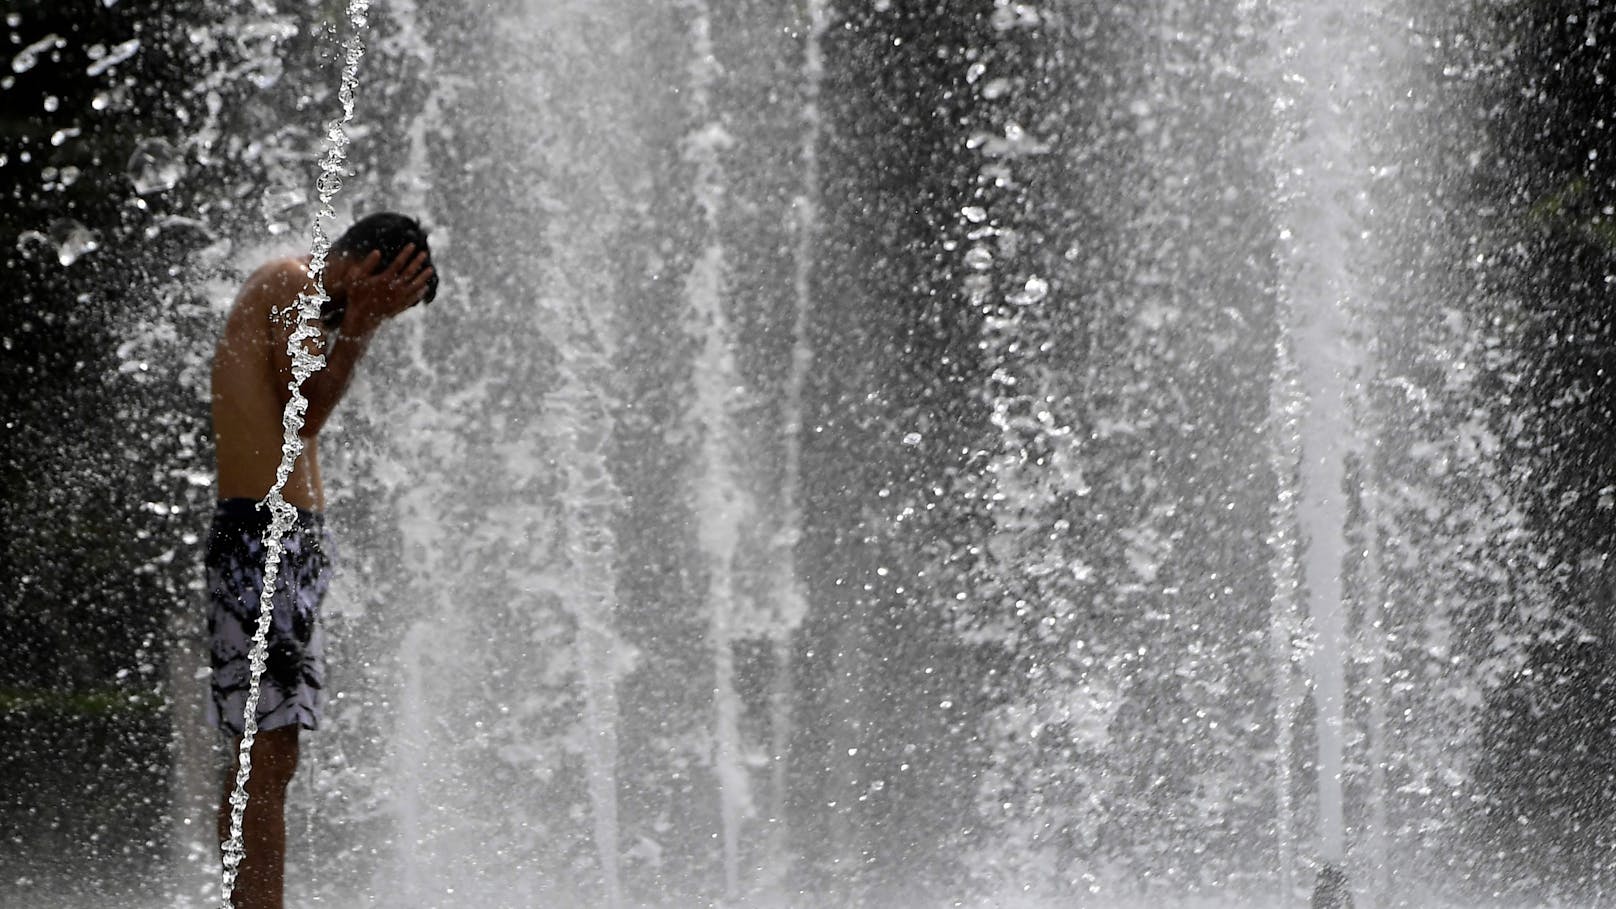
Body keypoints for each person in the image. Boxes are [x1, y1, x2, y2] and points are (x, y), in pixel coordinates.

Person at [205, 212, 436, 909]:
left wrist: (358, 323)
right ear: (366, 268)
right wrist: (361, 327)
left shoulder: (307, 299)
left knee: (274, 753)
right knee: (262, 750)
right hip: (260, 538)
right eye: (387, 295)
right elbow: (303, 414)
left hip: (287, 539)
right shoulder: (291, 282)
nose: (378, 316)